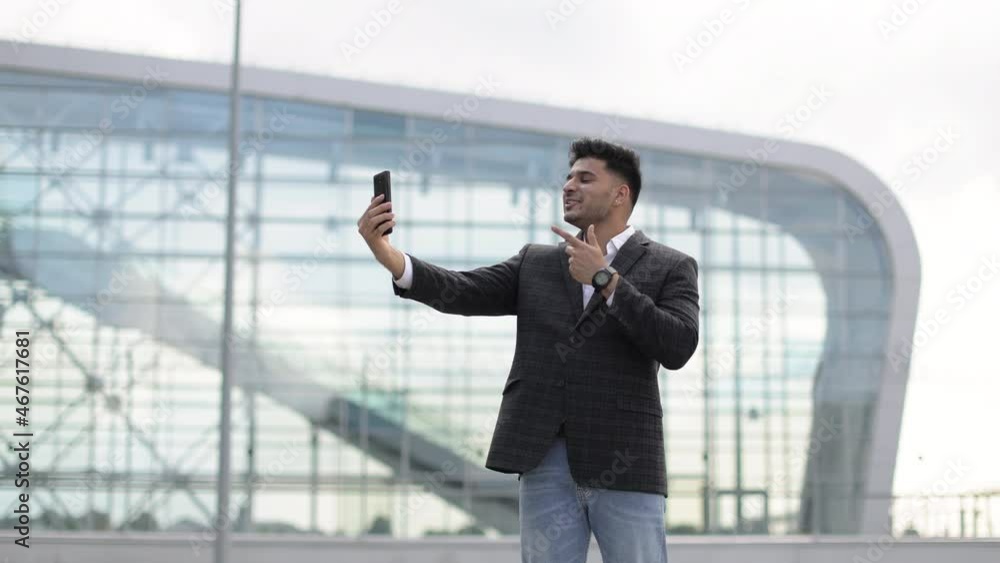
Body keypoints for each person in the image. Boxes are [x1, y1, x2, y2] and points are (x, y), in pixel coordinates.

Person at [357, 137, 700, 562]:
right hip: (545, 457)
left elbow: (678, 344)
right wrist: (390, 257)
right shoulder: (536, 263)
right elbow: (462, 289)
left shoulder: (670, 265)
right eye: (568, 177)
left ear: (620, 194)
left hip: (625, 457)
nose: (569, 186)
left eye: (585, 178)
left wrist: (606, 280)